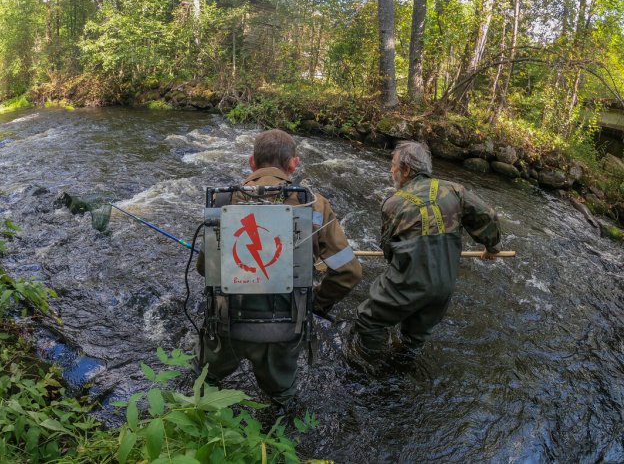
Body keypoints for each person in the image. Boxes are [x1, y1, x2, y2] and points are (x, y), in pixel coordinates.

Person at [197, 129, 362, 408]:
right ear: (293, 164)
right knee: (282, 402)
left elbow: (205, 269)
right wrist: (316, 304)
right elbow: (349, 272)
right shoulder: (314, 206)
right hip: (286, 325)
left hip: (228, 324)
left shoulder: (223, 202)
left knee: (204, 384)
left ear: (252, 162)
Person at [352, 140, 501, 362]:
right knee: (415, 337)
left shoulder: (393, 203)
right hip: (444, 286)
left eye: (393, 164)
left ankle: (375, 368)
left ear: (407, 170)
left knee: (367, 320)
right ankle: (404, 367)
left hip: (410, 281)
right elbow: (488, 216)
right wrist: (492, 247)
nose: (391, 170)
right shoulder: (455, 190)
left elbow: (388, 249)